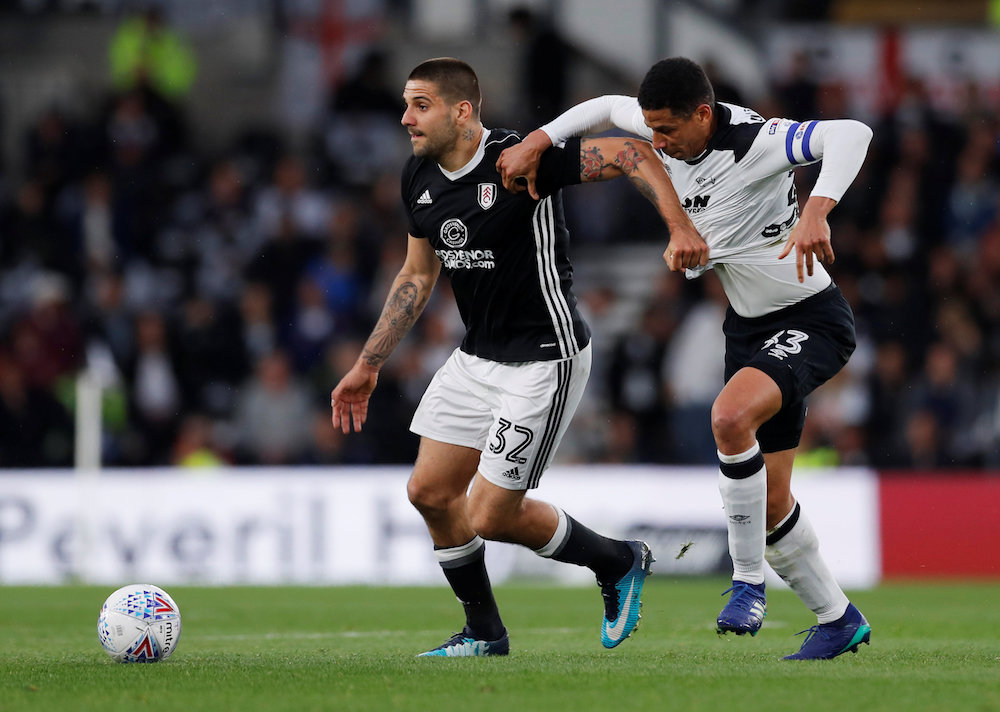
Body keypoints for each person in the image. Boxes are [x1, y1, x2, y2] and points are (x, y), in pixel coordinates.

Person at [497, 56, 874, 661]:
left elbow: (852, 133)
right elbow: (603, 108)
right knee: (771, 503)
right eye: (651, 128)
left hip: (811, 319)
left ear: (703, 114)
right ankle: (838, 619)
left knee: (728, 418)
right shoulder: (661, 125)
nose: (658, 141)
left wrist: (817, 210)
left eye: (668, 130)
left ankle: (747, 584)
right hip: (748, 329)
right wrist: (539, 140)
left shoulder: (757, 140)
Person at [330, 57, 697, 657]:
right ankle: (484, 634)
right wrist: (369, 363)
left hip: (544, 356)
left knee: (489, 515)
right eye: (405, 105)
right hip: (477, 356)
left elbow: (633, 153)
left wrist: (679, 227)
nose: (405, 119)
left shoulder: (521, 158)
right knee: (429, 492)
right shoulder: (418, 175)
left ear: (462, 111)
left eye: (420, 105)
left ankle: (618, 561)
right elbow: (417, 274)